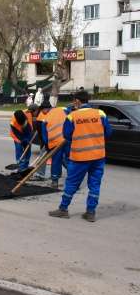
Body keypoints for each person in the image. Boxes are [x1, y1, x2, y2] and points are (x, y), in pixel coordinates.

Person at [49, 91, 111, 222]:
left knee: (71, 183)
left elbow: (67, 135)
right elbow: (108, 132)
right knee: (95, 185)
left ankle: (63, 209)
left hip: (80, 157)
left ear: (77, 101)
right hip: (98, 156)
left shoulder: (72, 116)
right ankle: (90, 213)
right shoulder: (100, 114)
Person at [37, 99, 69, 188]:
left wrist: (47, 146)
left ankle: (55, 181)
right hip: (67, 140)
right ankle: (74, 180)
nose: (42, 113)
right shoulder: (62, 110)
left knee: (56, 162)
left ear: (45, 109)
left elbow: (44, 136)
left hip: (55, 143)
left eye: (42, 110)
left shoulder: (45, 119)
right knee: (68, 160)